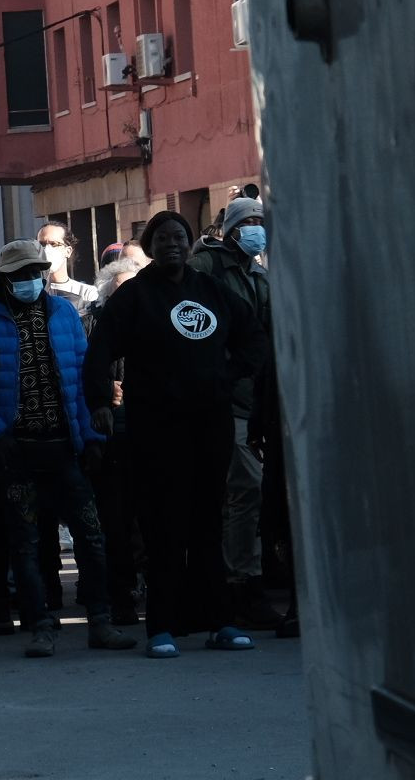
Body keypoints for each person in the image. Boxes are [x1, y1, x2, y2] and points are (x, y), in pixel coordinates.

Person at [84, 210, 267, 660]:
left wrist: (227, 375)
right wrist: (100, 403)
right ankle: (162, 625)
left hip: (210, 421)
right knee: (163, 523)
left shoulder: (211, 291)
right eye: (163, 238)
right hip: (155, 426)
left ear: (190, 244)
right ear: (150, 245)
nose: (173, 245)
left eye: (180, 237)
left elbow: (253, 338)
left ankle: (219, 621)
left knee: (208, 521)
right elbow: (100, 351)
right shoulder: (134, 298)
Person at [0, 241, 138, 657]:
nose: (29, 281)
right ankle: (40, 626)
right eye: (19, 275)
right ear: (4, 280)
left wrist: (90, 436)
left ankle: (100, 622)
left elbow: (84, 375)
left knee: (91, 535)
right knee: (26, 544)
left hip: (64, 447)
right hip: (17, 451)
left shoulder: (64, 313)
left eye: (34, 272)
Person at [188, 196, 281, 631]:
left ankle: (240, 577)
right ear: (232, 228)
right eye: (250, 221)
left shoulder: (259, 273)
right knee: (244, 488)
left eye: (263, 220)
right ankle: (240, 580)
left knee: (247, 493)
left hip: (257, 396)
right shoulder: (208, 265)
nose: (257, 228)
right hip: (224, 396)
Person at [88, 257, 145, 625]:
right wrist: (107, 392)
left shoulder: (155, 323)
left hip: (152, 433)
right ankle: (122, 596)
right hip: (113, 439)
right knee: (117, 523)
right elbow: (89, 373)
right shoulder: (98, 328)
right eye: (121, 289)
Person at [37, 221, 99, 315]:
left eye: (53, 244)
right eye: (41, 244)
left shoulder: (86, 292)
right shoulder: (35, 291)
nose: (46, 250)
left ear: (68, 251)